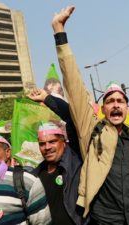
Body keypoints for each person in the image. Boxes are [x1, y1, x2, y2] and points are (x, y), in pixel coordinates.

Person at [52, 6, 129, 224]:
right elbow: (73, 84)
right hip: (107, 220)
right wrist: (59, 31)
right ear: (103, 110)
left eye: (120, 101)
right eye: (110, 101)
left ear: (127, 109)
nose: (116, 105)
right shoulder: (92, 131)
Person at [28, 88, 86, 225]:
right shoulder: (35, 175)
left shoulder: (75, 160)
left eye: (52, 142)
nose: (47, 147)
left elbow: (72, 117)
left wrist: (47, 98)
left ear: (64, 142)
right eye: (42, 144)